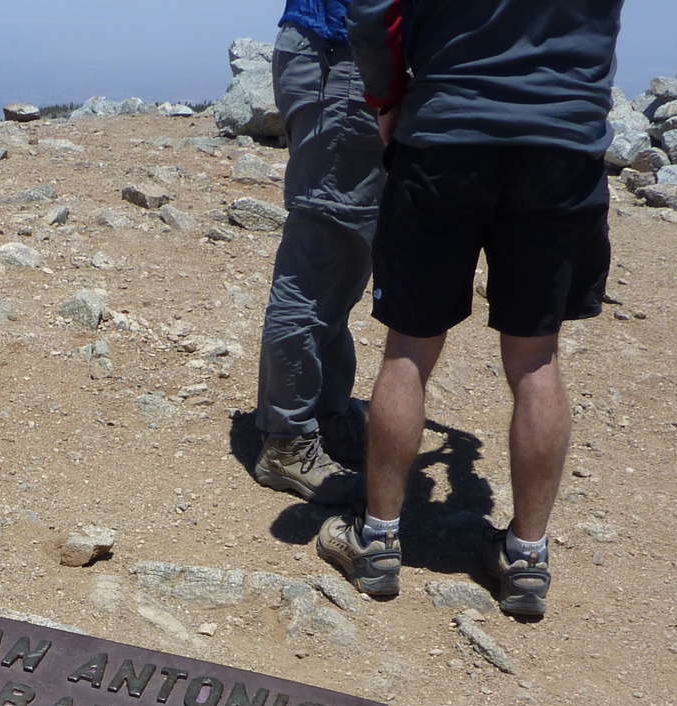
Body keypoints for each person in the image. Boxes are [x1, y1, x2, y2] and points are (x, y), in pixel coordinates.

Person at [320, 0, 626, 619]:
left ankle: (377, 539)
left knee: (409, 349)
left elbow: (371, 9)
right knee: (536, 358)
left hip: (446, 132)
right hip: (563, 143)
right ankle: (526, 556)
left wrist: (385, 98)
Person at [249, 0, 385, 503]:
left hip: (347, 54)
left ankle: (324, 414)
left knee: (344, 261)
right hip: (343, 57)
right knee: (320, 258)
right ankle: (288, 438)